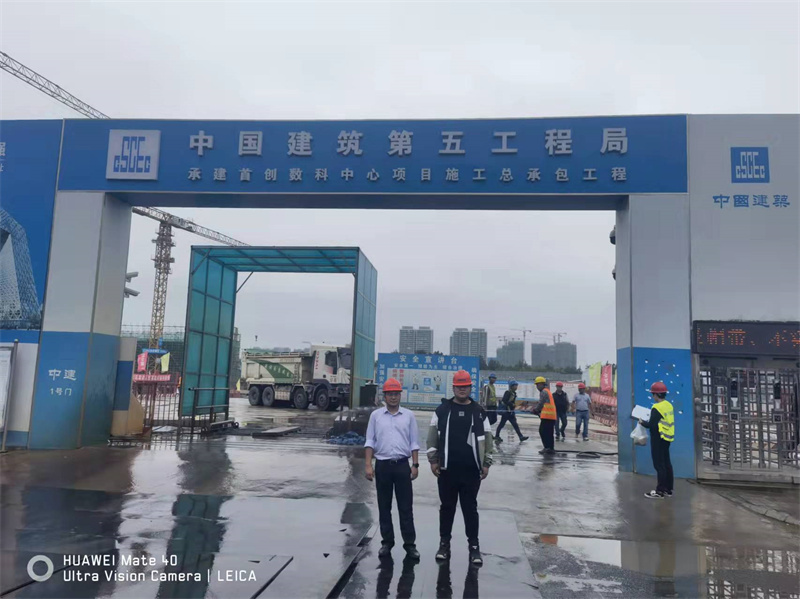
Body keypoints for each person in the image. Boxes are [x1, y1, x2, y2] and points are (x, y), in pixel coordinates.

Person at [427, 370, 493, 566]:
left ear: (470, 388)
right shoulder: (442, 410)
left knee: (470, 509)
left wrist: (486, 463)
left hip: (471, 471)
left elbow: (488, 438)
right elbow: (432, 437)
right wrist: (433, 460)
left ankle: (474, 547)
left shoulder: (479, 412)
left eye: (465, 386)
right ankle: (444, 545)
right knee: (447, 508)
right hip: (447, 470)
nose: (462, 389)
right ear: (453, 388)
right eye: (459, 386)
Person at [365, 378, 421, 559]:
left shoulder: (408, 416)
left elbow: (414, 442)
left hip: (402, 466)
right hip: (382, 466)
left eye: (396, 394)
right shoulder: (376, 416)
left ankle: (410, 545)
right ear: (385, 396)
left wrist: (415, 465)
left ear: (400, 395)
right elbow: (370, 441)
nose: (393, 397)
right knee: (384, 506)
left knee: (406, 508)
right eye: (390, 394)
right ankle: (387, 543)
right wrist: (368, 465)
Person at [639, 381, 675, 499]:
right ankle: (668, 489)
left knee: (659, 465)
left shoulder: (656, 407)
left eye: (653, 394)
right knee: (667, 463)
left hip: (658, 438)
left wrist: (642, 422)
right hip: (667, 437)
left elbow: (651, 425)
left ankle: (660, 491)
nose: (652, 396)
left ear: (656, 394)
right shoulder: (669, 405)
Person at [532, 377, 557, 454]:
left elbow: (541, 403)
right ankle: (551, 448)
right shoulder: (548, 391)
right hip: (552, 416)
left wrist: (535, 410)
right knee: (549, 433)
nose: (537, 387)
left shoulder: (543, 392)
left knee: (542, 431)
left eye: (537, 385)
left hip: (547, 416)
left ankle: (547, 447)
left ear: (542, 384)